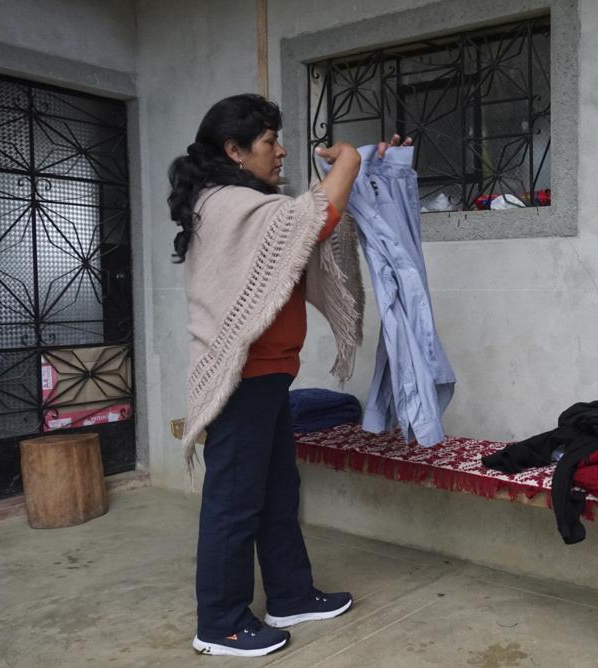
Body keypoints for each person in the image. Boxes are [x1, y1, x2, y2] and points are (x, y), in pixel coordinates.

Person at [167, 93, 409, 657]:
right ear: (233, 150)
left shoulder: (249, 201)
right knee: (234, 499)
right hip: (242, 376)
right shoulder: (225, 203)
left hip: (269, 374)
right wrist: (348, 163)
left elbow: (309, 223)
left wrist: (368, 169)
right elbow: (313, 217)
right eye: (270, 142)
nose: (281, 152)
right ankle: (220, 623)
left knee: (277, 491)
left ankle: (291, 594)